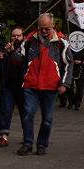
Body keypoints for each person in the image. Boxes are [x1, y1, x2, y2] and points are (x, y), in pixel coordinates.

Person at [15, 13, 72, 156]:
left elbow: (68, 64)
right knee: (28, 114)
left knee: (47, 118)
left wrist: (64, 83)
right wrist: (11, 52)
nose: (44, 31)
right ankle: (28, 143)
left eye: (47, 28)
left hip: (51, 86)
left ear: (53, 26)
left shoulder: (61, 43)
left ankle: (41, 144)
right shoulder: (29, 41)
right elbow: (18, 59)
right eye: (41, 28)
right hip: (31, 84)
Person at [0, 26, 25, 146]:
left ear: (23, 37)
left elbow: (23, 64)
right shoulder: (4, 50)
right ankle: (4, 136)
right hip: (7, 86)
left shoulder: (26, 49)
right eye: (13, 35)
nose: (16, 38)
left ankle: (27, 135)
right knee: (5, 110)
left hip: (23, 86)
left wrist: (13, 52)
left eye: (18, 35)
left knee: (25, 111)